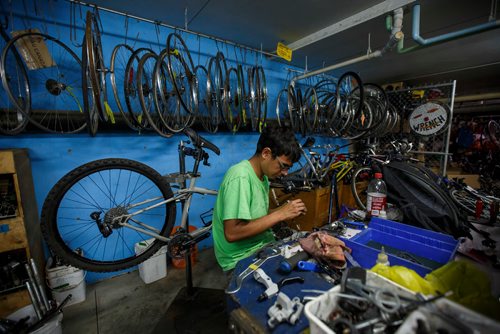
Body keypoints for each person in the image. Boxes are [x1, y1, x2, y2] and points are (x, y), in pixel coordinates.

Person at [212, 124, 307, 272]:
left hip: (262, 244)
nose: (285, 173)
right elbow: (232, 233)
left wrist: (284, 210)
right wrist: (280, 214)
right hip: (240, 257)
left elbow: (255, 216)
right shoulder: (240, 176)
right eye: (283, 166)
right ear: (266, 153)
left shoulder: (262, 177)